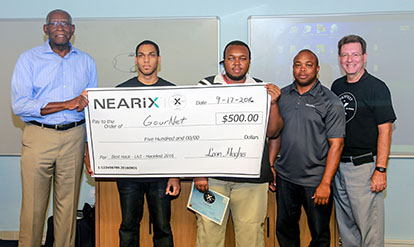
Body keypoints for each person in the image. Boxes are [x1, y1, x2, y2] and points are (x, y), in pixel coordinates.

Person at [10, 9, 97, 247]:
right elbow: (20, 105)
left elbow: (91, 110)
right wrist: (66, 104)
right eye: (54, 23)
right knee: (34, 209)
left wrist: (90, 149)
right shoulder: (28, 59)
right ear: (46, 29)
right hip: (39, 136)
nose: (60, 27)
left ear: (73, 29)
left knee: (67, 209)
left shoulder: (86, 61)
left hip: (75, 137)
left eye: (65, 23)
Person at [85, 40, 180, 247]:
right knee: (128, 227)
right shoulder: (120, 92)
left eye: (151, 54)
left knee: (163, 229)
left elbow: (177, 136)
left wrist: (175, 175)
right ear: (136, 60)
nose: (146, 59)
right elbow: (107, 130)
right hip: (129, 174)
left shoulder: (172, 92)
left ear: (159, 59)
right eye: (141, 55)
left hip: (161, 174)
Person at [194, 40, 283, 247]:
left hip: (251, 179)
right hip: (213, 178)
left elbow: (274, 131)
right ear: (223, 62)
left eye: (242, 59)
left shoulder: (262, 89)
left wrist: (274, 103)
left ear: (249, 62)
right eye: (231, 58)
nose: (236, 63)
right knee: (208, 237)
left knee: (250, 237)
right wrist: (199, 172)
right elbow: (195, 130)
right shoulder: (205, 86)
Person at [269, 49, 345, 247]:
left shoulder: (331, 101)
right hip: (285, 177)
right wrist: (271, 165)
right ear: (293, 68)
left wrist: (326, 183)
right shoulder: (282, 96)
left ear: (317, 69)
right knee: (285, 230)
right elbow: (275, 135)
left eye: (308, 65)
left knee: (320, 234)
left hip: (316, 181)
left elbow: (336, 145)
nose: (302, 70)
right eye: (298, 65)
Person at [331, 35, 396, 247]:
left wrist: (381, 170)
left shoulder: (376, 87)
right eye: (345, 54)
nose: (350, 59)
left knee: (370, 231)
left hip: (365, 168)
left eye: (355, 54)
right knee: (347, 229)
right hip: (339, 168)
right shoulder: (337, 86)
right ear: (339, 58)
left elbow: (385, 131)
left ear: (365, 57)